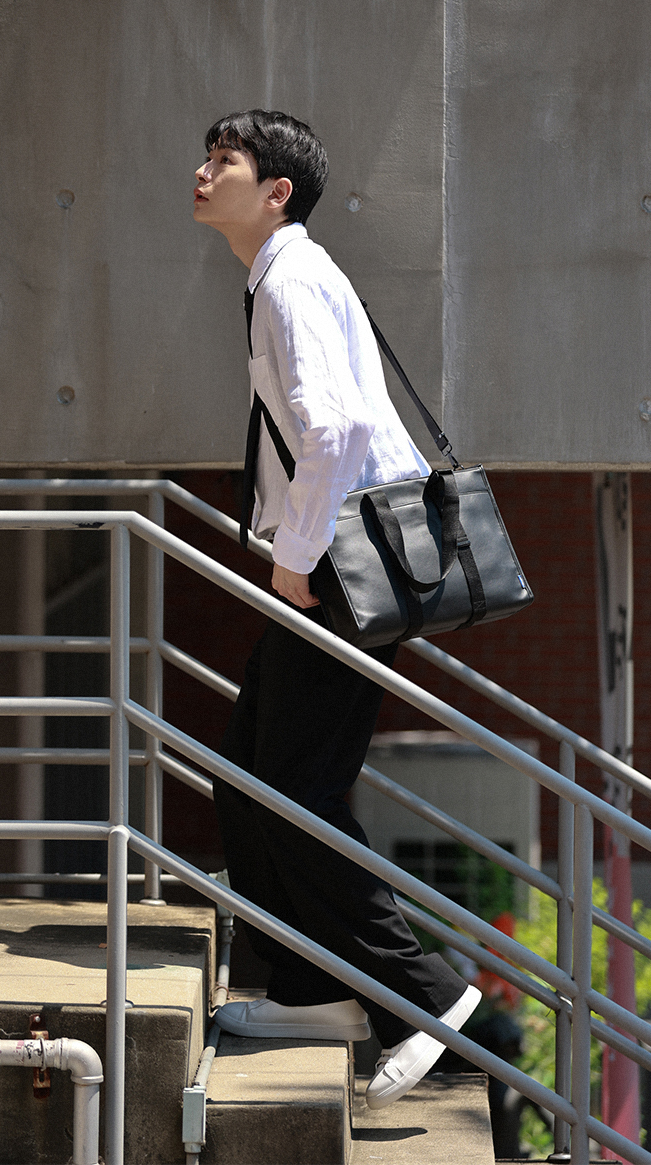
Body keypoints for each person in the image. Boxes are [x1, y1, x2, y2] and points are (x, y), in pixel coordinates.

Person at [192, 109, 480, 1109]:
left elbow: (340, 426)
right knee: (249, 777)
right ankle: (313, 989)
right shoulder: (280, 273)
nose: (202, 172)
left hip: (344, 563)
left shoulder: (292, 279)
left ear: (275, 191)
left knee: (293, 789)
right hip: (343, 559)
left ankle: (424, 997)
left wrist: (294, 559)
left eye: (223, 160)